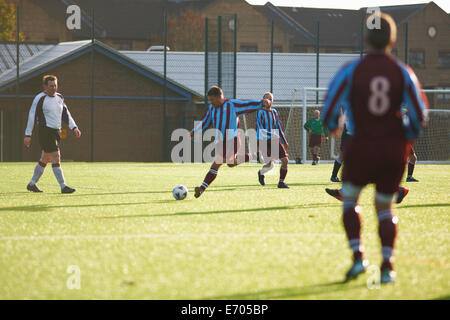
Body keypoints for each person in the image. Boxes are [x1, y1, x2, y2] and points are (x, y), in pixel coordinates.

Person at [321, 13, 428, 284]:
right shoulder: (404, 72)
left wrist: (333, 125)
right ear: (392, 40)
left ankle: (358, 259)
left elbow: (330, 108)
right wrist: (405, 139)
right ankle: (387, 268)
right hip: (392, 149)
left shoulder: (351, 70)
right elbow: (419, 115)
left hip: (360, 146)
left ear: (366, 39)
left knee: (350, 201)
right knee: (384, 207)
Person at [190, 86, 270, 198]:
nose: (211, 102)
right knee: (230, 163)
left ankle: (202, 188)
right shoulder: (212, 108)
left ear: (219, 97)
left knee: (217, 162)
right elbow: (205, 122)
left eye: (212, 99)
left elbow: (247, 104)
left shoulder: (232, 105)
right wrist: (194, 132)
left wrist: (262, 102)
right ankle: (253, 156)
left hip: (233, 140)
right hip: (220, 142)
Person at [24, 75, 81, 194]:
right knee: (56, 155)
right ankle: (63, 186)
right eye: (51, 86)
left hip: (56, 132)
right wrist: (28, 134)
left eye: (55, 85)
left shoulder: (60, 97)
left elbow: (66, 114)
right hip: (45, 131)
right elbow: (31, 115)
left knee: (45, 158)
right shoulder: (40, 98)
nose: (53, 88)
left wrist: (74, 127)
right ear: (45, 86)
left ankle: (32, 184)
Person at [256, 92, 289, 188]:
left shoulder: (274, 112)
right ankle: (261, 172)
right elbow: (260, 128)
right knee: (270, 164)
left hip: (274, 140)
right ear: (262, 101)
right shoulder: (260, 112)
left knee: (285, 160)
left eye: (270, 99)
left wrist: (284, 140)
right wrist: (271, 134)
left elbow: (278, 126)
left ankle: (281, 182)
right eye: (265, 98)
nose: (267, 100)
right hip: (264, 140)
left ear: (272, 101)